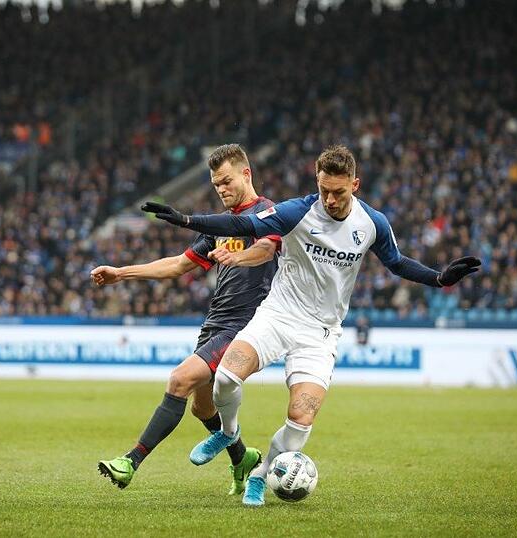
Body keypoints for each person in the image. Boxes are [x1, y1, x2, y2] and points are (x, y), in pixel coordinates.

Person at [141, 144, 481, 506]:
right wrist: (188, 220)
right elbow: (242, 224)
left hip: (321, 333)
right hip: (278, 315)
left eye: (339, 192)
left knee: (301, 418)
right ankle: (228, 432)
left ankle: (260, 474)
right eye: (324, 190)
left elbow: (396, 262)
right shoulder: (297, 212)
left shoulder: (372, 223)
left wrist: (439, 279)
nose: (330, 200)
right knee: (225, 376)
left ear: (355, 184)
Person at [93, 144, 282, 493]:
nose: (221, 189)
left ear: (246, 174)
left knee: (179, 379)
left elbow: (266, 249)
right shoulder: (221, 226)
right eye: (216, 185)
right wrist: (121, 273)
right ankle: (243, 458)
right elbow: (179, 265)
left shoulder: (267, 214)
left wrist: (240, 257)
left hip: (247, 325)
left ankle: (130, 462)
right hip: (216, 322)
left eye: (226, 181)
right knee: (202, 408)